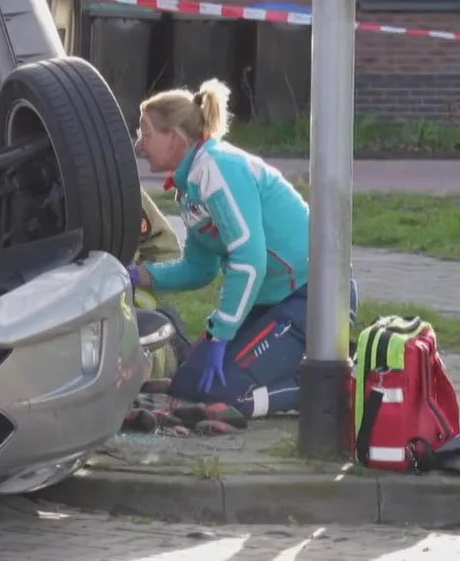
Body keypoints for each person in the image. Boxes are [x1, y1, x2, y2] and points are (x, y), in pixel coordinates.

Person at [128, 79, 338, 418]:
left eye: (146, 131)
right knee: (189, 386)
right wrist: (137, 275)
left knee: (226, 398)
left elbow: (249, 259)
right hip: (269, 300)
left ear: (174, 136)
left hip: (310, 296)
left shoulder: (216, 169)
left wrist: (222, 332)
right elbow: (201, 268)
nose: (140, 144)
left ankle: (334, 383)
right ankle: (286, 365)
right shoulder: (191, 185)